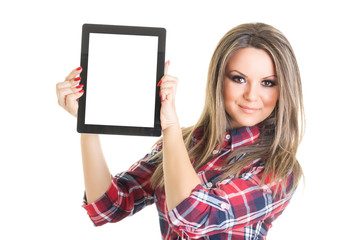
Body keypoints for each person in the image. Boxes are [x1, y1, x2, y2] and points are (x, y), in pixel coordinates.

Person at [56, 22, 304, 239]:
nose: (251, 95)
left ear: (283, 90)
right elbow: (107, 207)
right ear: (218, 80)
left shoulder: (278, 170)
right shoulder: (184, 143)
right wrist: (87, 119)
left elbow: (194, 216)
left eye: (268, 83)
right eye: (238, 79)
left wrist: (171, 127)